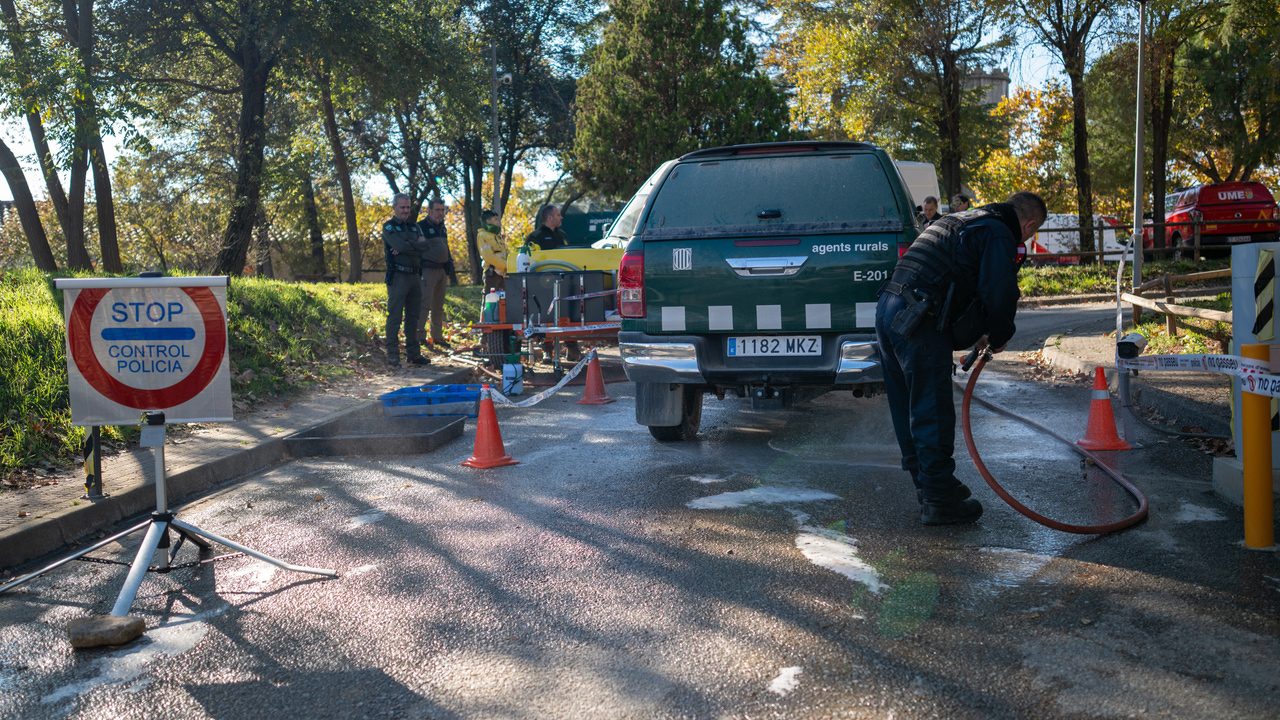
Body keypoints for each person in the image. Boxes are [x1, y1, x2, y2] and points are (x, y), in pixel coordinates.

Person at [875, 191, 1046, 525]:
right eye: (1030, 233)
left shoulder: (960, 220)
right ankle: (940, 499)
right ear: (1028, 225)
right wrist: (998, 335)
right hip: (918, 317)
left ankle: (928, 488)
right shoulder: (999, 231)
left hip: (888, 310)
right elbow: (999, 291)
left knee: (906, 405)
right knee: (931, 407)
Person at [382, 193, 431, 368]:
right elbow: (401, 246)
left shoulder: (415, 227)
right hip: (398, 276)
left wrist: (407, 245)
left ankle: (414, 354)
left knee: (413, 317)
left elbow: (425, 247)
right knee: (394, 316)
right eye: (402, 207)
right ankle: (393, 355)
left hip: (415, 276)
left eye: (408, 207)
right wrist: (412, 245)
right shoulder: (389, 227)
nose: (405, 210)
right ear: (394, 208)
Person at [416, 198, 457, 349]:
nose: (440, 213)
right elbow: (417, 249)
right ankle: (419, 336)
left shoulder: (442, 227)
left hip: (441, 270)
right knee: (424, 303)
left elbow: (445, 247)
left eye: (442, 210)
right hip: (427, 270)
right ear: (430, 211)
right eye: (437, 210)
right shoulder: (421, 227)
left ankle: (437, 337)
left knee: (438, 305)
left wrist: (449, 265)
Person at [477, 209, 506, 293]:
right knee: (490, 298)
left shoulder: (496, 236)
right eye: (495, 219)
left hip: (502, 273)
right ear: (488, 221)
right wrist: (504, 265)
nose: (498, 222)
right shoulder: (482, 235)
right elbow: (488, 256)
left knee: (502, 299)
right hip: (492, 272)